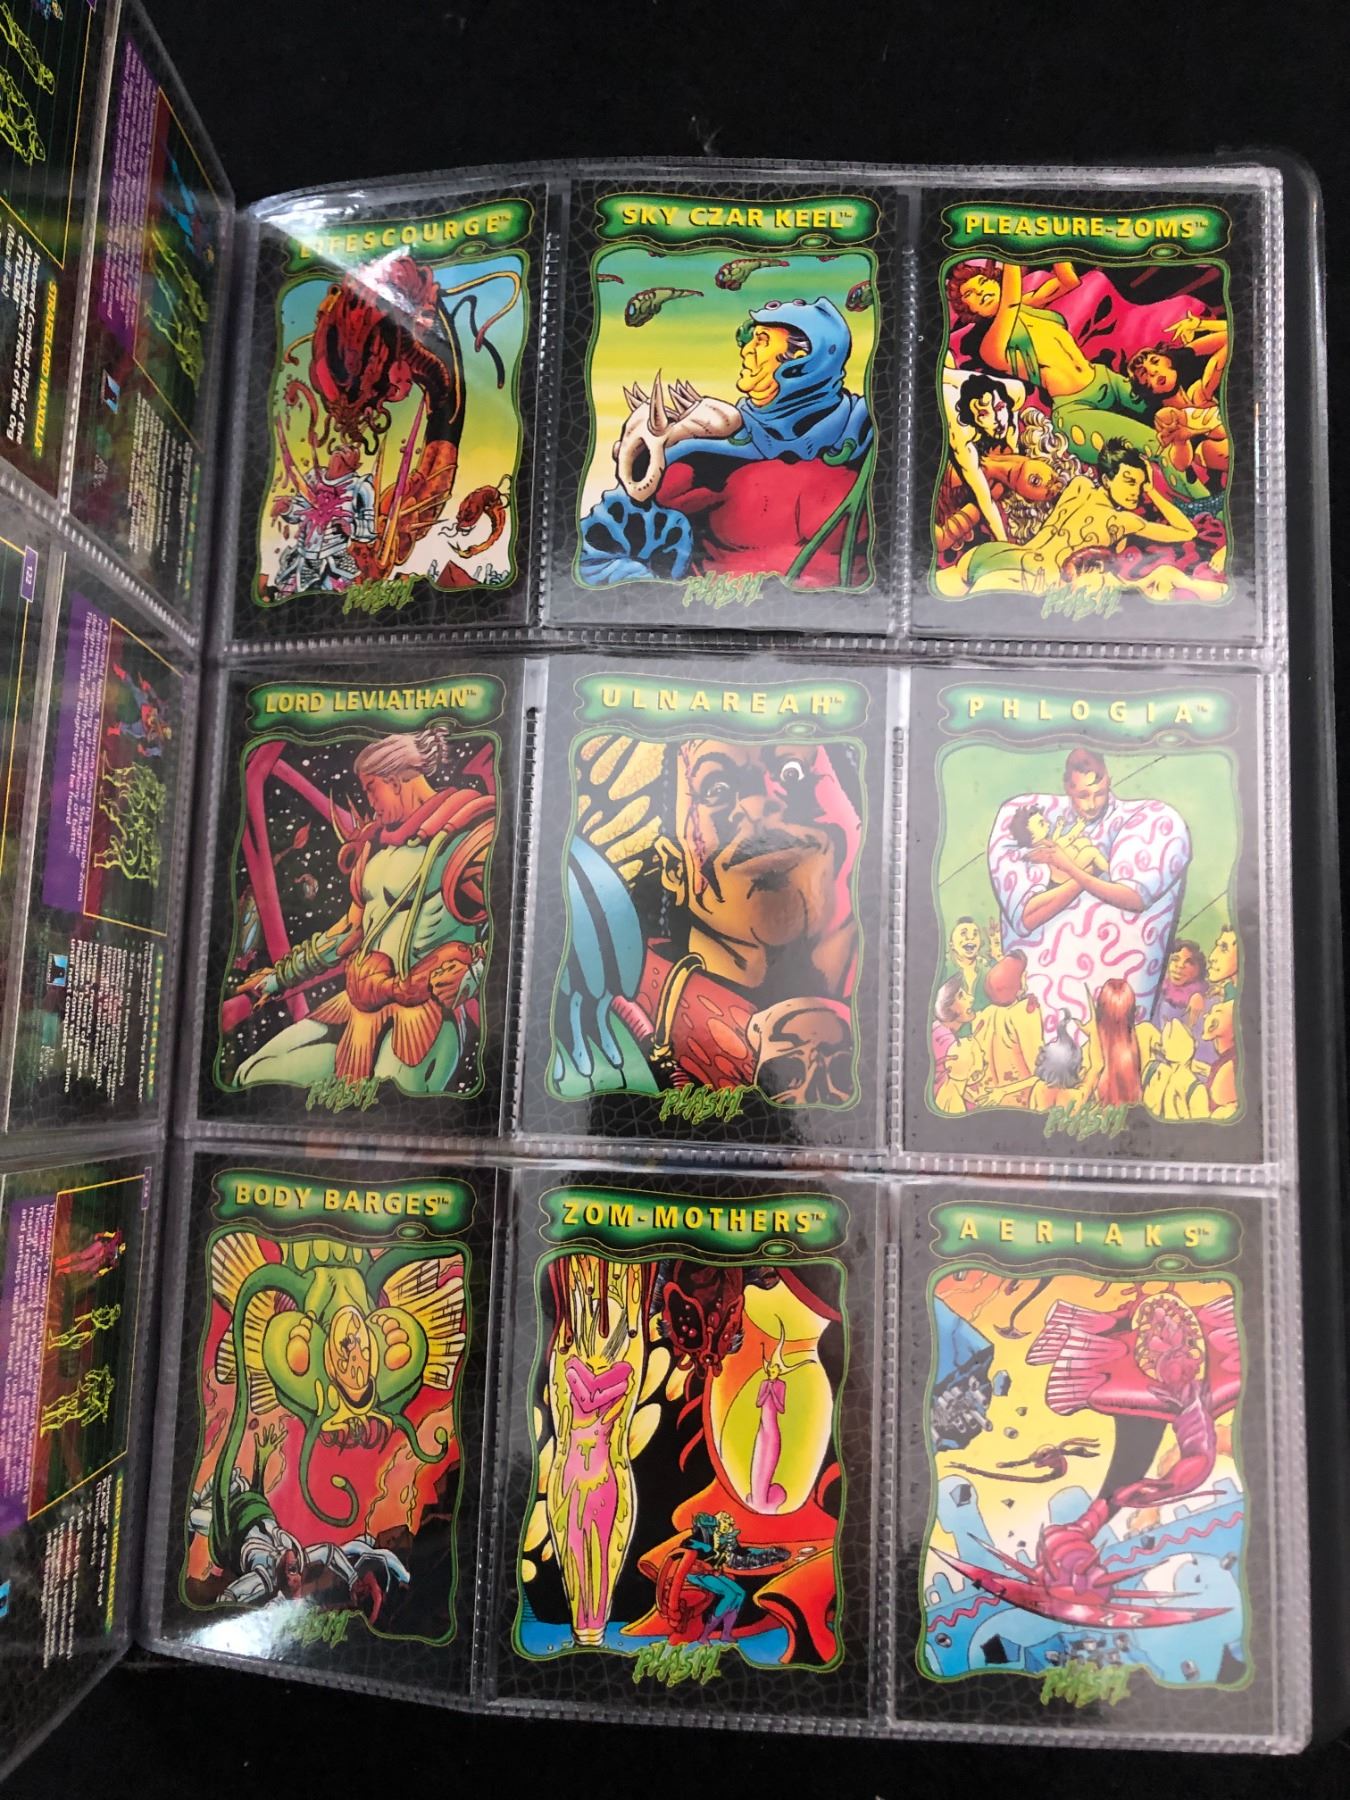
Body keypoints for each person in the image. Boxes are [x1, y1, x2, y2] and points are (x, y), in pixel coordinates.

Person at [553, 734, 862, 1101]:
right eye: (716, 788)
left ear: (860, 818)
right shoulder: (608, 1015)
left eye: (791, 772)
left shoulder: (905, 1000)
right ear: (675, 868)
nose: (756, 803)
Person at [234, 728, 494, 1100]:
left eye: (372, 788)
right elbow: (348, 933)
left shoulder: (470, 835)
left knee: (384, 1102)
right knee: (254, 1072)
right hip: (357, 1005)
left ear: (396, 781)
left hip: (424, 1018)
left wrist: (472, 977)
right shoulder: (375, 846)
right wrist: (279, 979)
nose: (369, 801)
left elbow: (510, 935)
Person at [579, 298, 873, 590]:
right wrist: (667, 602)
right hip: (712, 614)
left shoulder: (866, 436)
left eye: (761, 341)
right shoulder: (702, 453)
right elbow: (594, 555)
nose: (747, 351)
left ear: (801, 361)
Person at [945, 258, 1212, 499]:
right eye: (971, 294)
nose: (981, 292)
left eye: (982, 283)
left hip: (1104, 379)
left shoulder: (1029, 305)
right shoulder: (990, 345)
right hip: (1076, 410)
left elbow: (1068, 281)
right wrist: (1013, 253)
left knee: (1180, 411)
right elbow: (1010, 303)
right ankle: (1204, 502)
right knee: (1157, 443)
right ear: (968, 309)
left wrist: (1058, 248)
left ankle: (1218, 455)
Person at [988, 747, 1191, 1026]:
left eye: (1100, 792)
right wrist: (1084, 872)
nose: (1092, 804)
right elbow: (1026, 918)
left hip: (1118, 998)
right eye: (1083, 795)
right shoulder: (1024, 820)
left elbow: (1134, 898)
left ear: (1109, 780)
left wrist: (1078, 870)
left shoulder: (1153, 820)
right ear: (1067, 788)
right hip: (1039, 1007)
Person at [934, 440, 1220, 602]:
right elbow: (1185, 530)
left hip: (1009, 560)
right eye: (1129, 481)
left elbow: (1186, 532)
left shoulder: (1081, 487)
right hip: (1029, 572)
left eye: (1140, 484)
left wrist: (1150, 488)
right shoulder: (1118, 519)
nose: (1136, 490)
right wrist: (1151, 491)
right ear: (1107, 479)